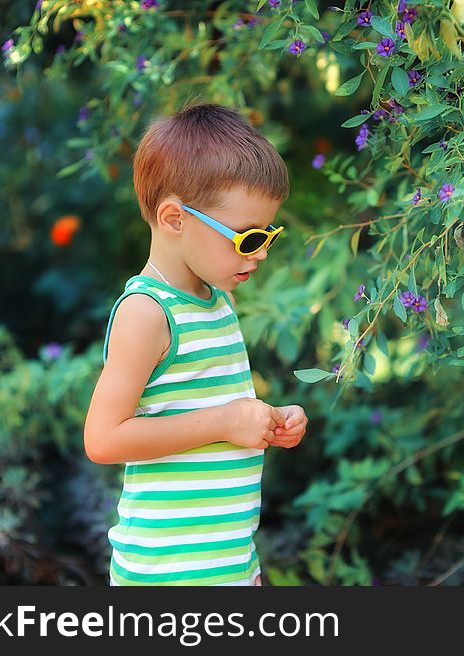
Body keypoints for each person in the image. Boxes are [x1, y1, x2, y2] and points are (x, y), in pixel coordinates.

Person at [83, 100, 308, 586]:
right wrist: (225, 421)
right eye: (248, 238)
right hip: (168, 578)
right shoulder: (146, 313)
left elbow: (207, 414)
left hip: (229, 568)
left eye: (268, 234)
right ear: (175, 219)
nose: (262, 252)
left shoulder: (216, 299)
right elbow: (103, 439)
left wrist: (267, 421)